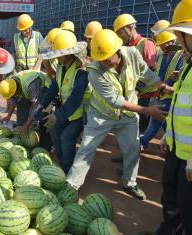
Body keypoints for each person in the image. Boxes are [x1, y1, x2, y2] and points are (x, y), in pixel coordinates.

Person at [66, 29, 173, 200]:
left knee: (132, 148)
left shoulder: (132, 54)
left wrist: (161, 86)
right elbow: (115, 101)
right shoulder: (94, 70)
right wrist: (147, 111)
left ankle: (129, 183)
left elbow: (146, 72)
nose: (105, 62)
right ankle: (72, 185)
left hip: (127, 116)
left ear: (118, 50)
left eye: (108, 58)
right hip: (101, 115)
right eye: (101, 59)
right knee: (86, 148)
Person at [155, 0, 192, 235]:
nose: (177, 40)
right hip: (178, 151)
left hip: (191, 160)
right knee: (171, 201)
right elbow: (181, 108)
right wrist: (167, 136)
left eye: (180, 34)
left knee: (189, 213)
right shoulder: (190, 64)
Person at [34, 30, 89, 173]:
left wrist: (56, 116)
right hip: (66, 112)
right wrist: (41, 105)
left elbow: (76, 99)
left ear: (66, 54)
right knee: (54, 132)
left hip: (80, 114)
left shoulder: (81, 71)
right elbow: (54, 87)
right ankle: (63, 162)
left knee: (66, 139)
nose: (56, 58)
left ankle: (67, 170)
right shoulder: (61, 67)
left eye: (59, 54)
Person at [114, 13, 158, 135]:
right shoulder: (126, 46)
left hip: (145, 95)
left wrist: (133, 87)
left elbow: (150, 71)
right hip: (133, 94)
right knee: (130, 127)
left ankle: (135, 152)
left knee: (138, 129)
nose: (120, 37)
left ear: (130, 27)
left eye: (120, 33)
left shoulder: (146, 44)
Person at [140, 30, 184, 149]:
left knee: (156, 119)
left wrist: (168, 82)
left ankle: (142, 142)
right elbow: (157, 72)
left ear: (171, 42)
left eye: (164, 44)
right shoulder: (160, 55)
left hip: (170, 94)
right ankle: (170, 143)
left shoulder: (180, 55)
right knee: (164, 122)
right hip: (159, 92)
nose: (163, 48)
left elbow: (179, 77)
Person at [13, 14, 44, 125]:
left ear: (30, 26)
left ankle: (33, 127)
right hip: (21, 74)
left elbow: (42, 54)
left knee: (35, 102)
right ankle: (21, 125)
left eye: (26, 29)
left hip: (34, 74)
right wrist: (14, 71)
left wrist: (35, 70)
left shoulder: (38, 36)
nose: (24, 32)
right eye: (22, 30)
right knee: (21, 101)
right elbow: (14, 55)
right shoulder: (16, 38)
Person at [0, 70, 51, 136]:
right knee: (21, 104)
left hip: (47, 88)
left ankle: (40, 135)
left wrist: (27, 124)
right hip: (31, 91)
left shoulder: (31, 85)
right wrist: (8, 115)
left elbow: (38, 106)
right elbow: (14, 101)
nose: (12, 98)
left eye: (13, 96)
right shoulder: (12, 83)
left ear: (16, 91)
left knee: (41, 116)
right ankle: (22, 129)